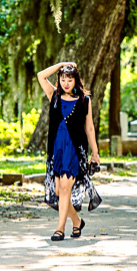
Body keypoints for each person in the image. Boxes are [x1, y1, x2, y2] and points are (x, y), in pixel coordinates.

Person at [37, 62, 102, 241]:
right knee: (58, 191)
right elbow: (40, 75)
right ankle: (77, 221)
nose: (66, 83)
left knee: (65, 187)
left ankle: (59, 229)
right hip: (56, 150)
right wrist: (62, 65)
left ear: (76, 81)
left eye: (70, 80)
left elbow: (89, 128)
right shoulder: (54, 96)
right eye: (63, 79)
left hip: (74, 150)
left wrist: (95, 153)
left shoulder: (84, 101)